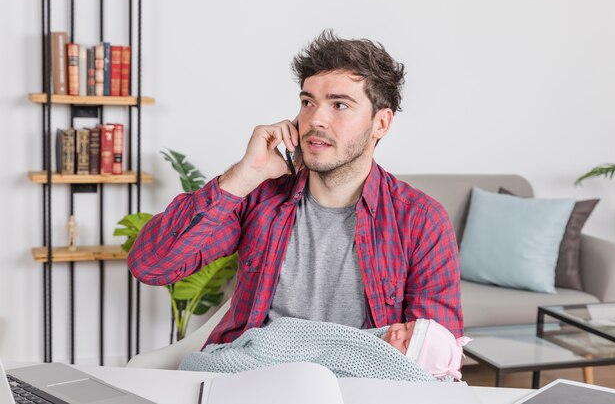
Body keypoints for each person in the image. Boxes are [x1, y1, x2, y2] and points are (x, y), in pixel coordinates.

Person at [128, 30, 463, 347]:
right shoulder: (260, 196)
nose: (316, 119)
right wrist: (245, 174)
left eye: (339, 105)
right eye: (308, 102)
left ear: (381, 123)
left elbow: (433, 354)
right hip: (254, 375)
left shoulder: (420, 220)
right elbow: (152, 266)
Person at [178, 317, 471, 382]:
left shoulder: (388, 369)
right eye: (406, 325)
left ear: (408, 364)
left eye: (405, 342)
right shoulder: (375, 337)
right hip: (285, 343)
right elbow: (324, 341)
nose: (396, 330)